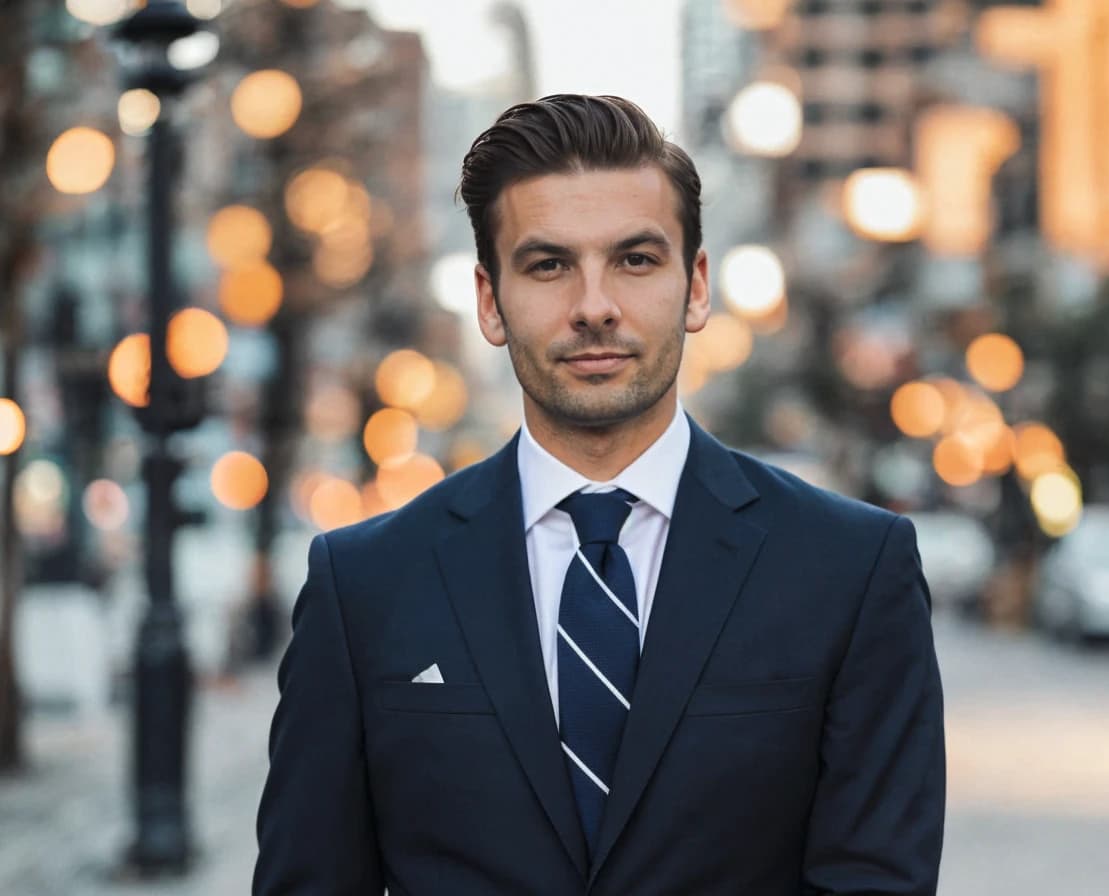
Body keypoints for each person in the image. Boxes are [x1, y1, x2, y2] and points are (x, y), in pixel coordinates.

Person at [253, 94, 944, 896]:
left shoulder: (851, 570)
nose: (593, 307)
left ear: (695, 287)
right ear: (490, 301)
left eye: (635, 260)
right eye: (548, 265)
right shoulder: (364, 584)